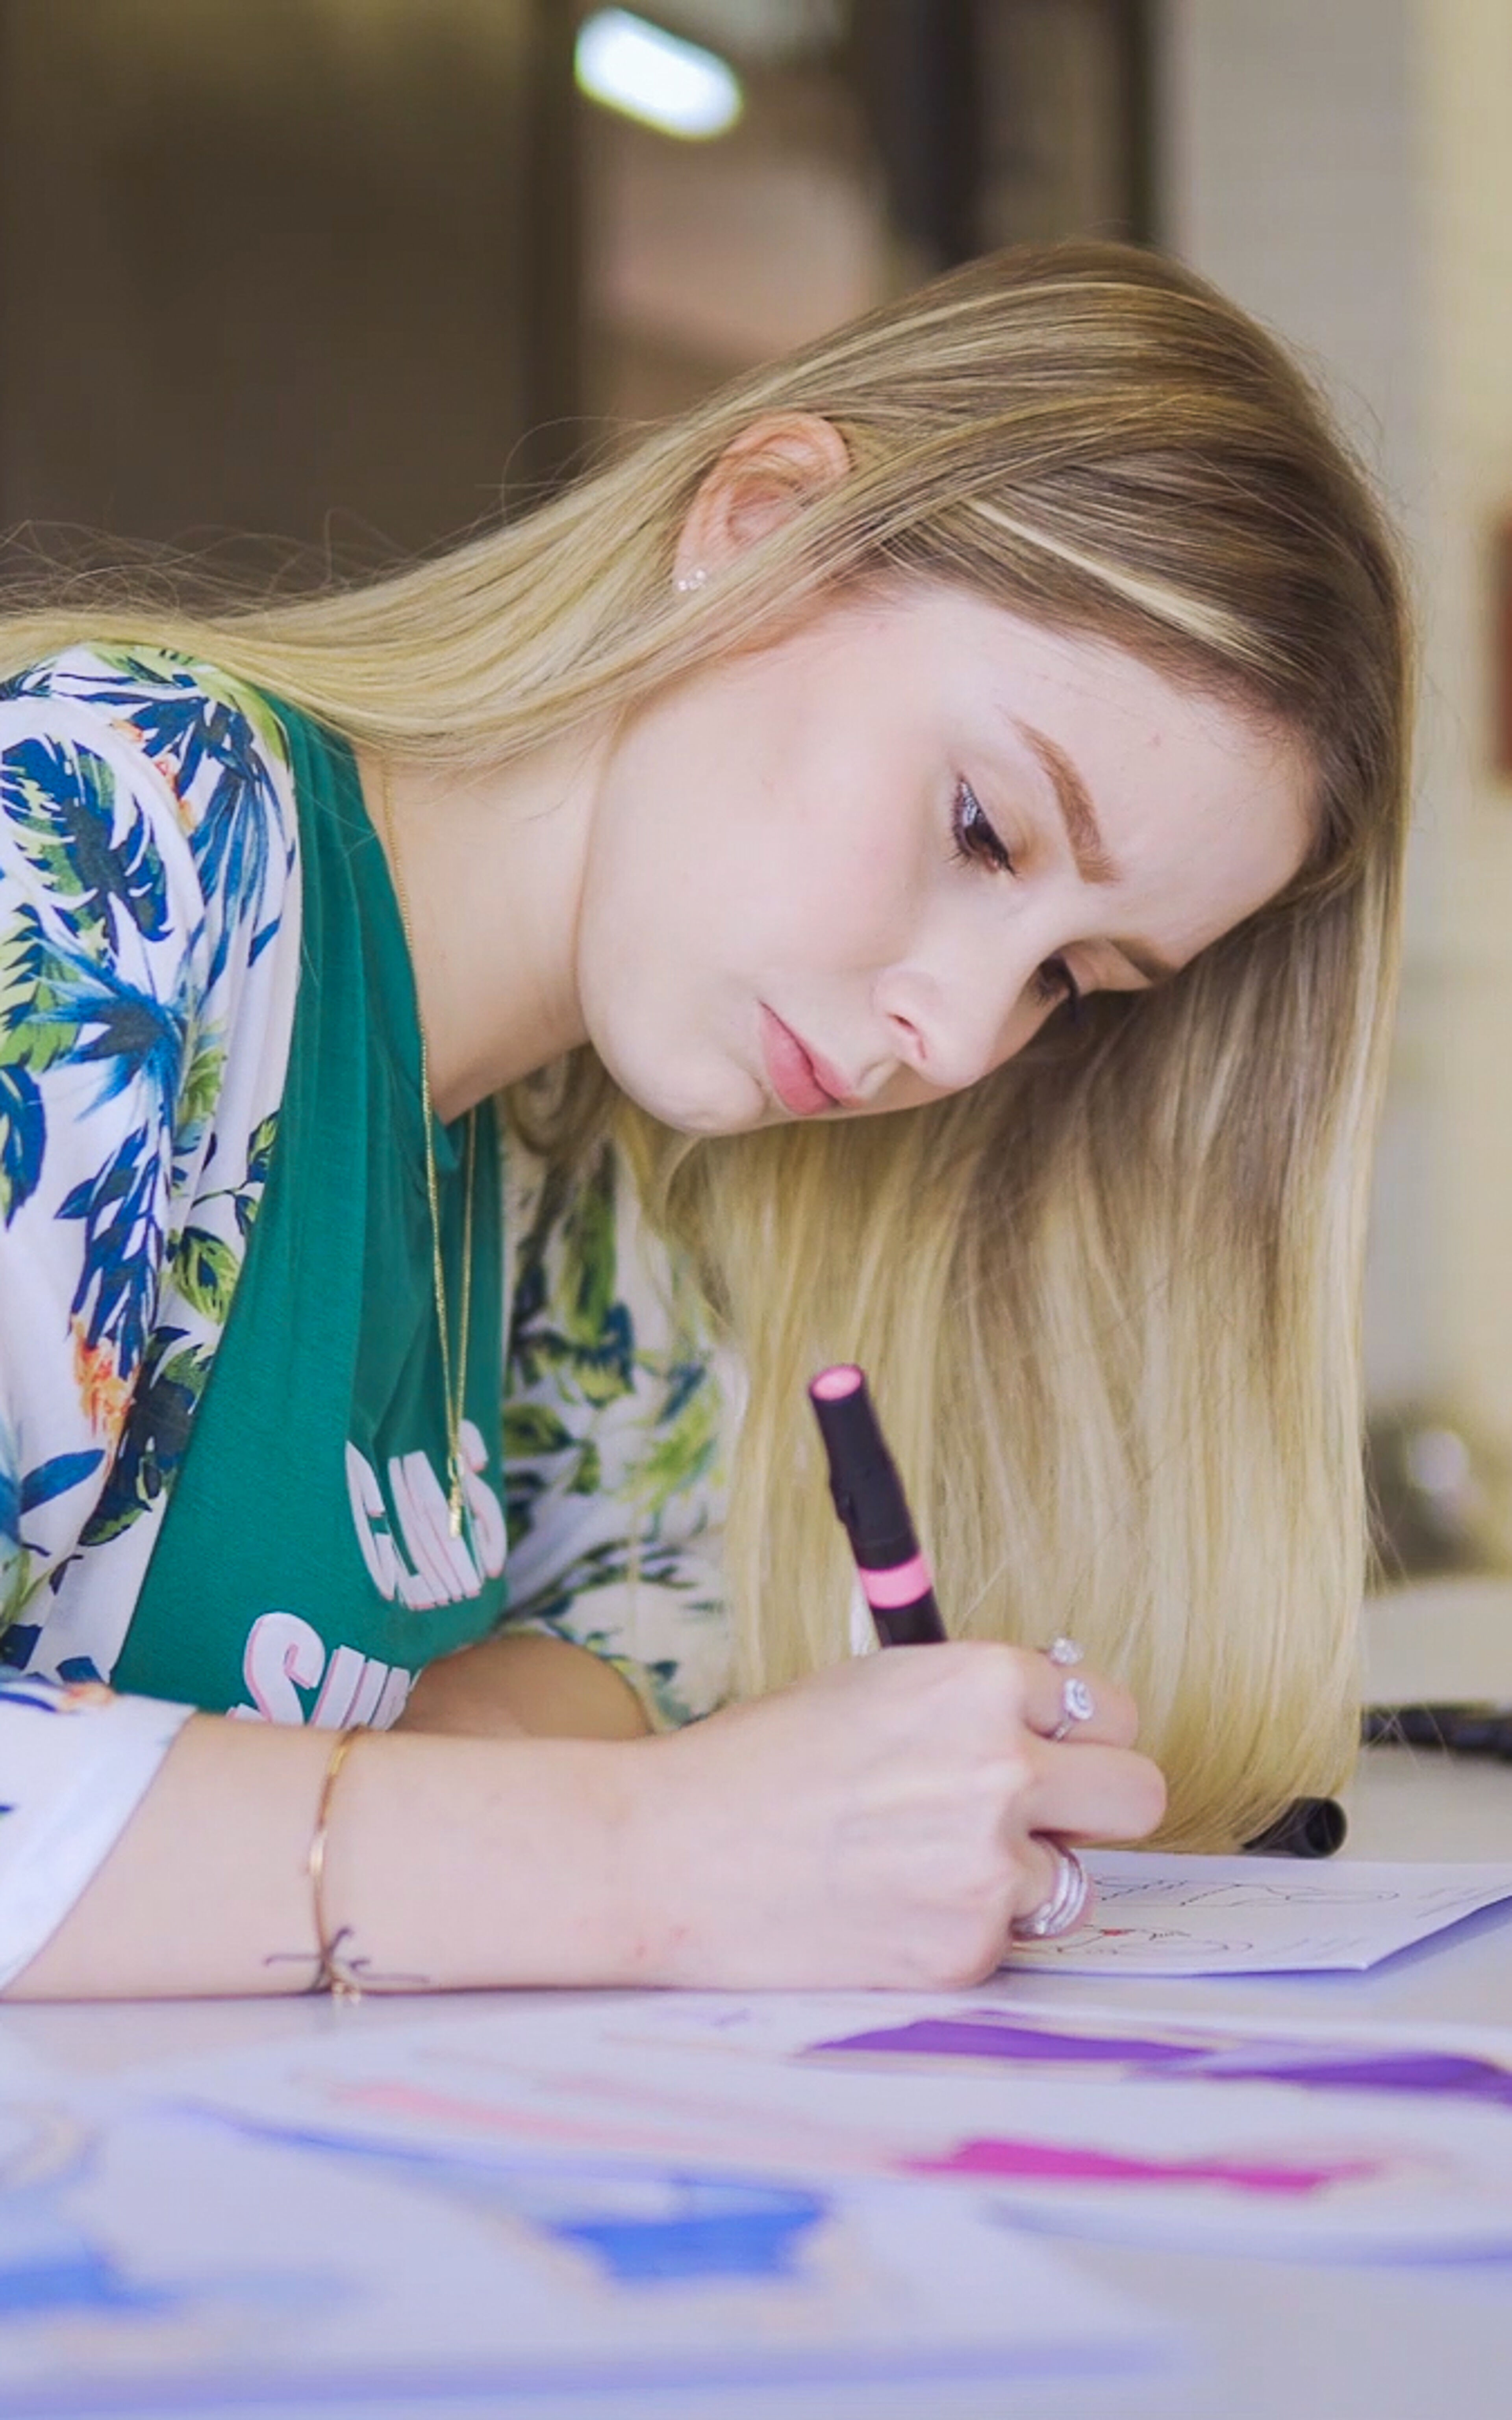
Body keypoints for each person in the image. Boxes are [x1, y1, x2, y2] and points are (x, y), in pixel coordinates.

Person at [0, 240, 1408, 2000]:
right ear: (757, 527)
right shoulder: (97, 844)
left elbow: (649, 1613)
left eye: (1075, 981)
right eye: (981, 828)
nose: (961, 1034)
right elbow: (622, 1806)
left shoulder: (582, 1147)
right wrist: (645, 1856)